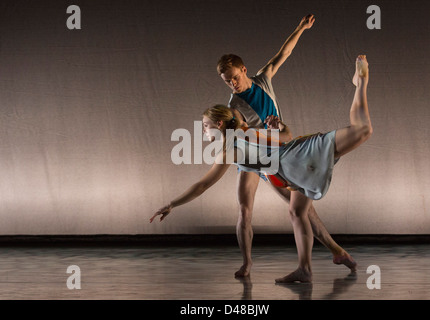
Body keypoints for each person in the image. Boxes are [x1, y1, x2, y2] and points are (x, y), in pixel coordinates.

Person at [151, 55, 373, 283]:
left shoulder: (230, 149)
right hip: (297, 163)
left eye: (206, 127)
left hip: (297, 163)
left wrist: (171, 204)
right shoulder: (247, 133)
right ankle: (305, 269)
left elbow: (202, 185)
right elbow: (286, 137)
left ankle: (361, 81)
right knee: (297, 213)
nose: (204, 132)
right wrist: (281, 127)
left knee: (362, 130)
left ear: (219, 125)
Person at [216, 14, 356, 278]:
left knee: (301, 208)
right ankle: (247, 263)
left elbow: (284, 52)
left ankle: (337, 251)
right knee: (244, 210)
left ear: (243, 70)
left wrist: (301, 28)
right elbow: (240, 136)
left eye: (234, 77)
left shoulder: (263, 80)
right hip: (252, 158)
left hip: (275, 159)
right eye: (226, 81)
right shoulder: (234, 107)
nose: (232, 84)